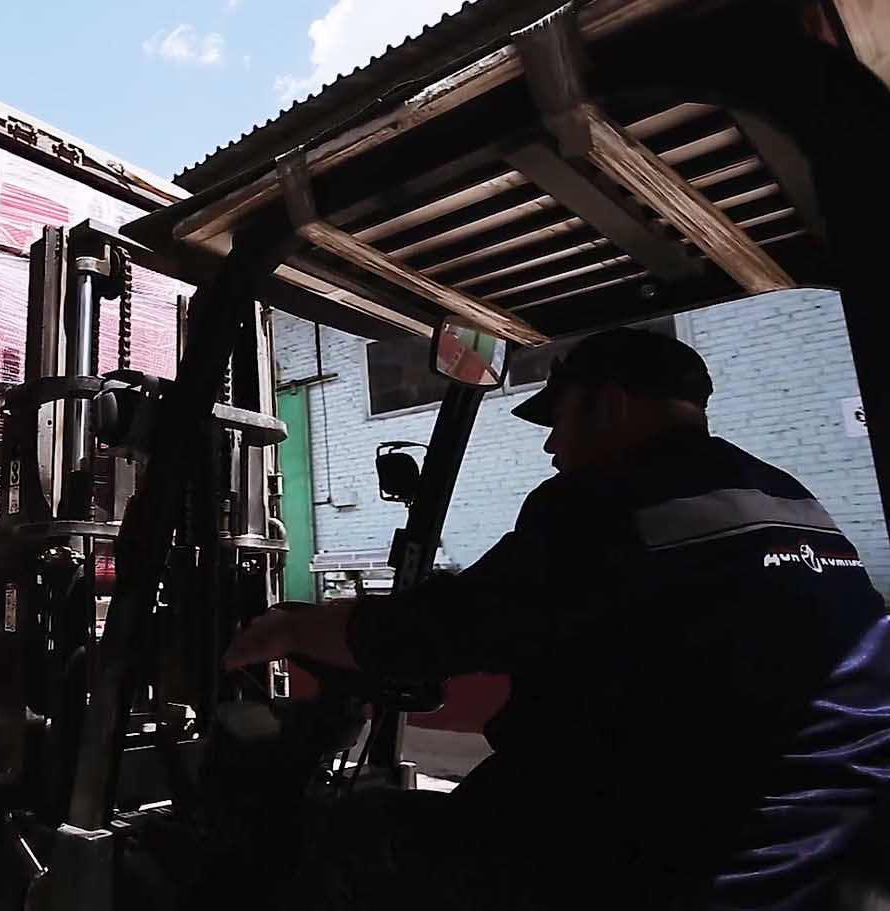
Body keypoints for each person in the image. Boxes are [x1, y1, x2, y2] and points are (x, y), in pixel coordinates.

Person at [225, 328, 890, 910]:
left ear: (609, 404)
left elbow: (437, 632)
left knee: (347, 836)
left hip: (679, 848)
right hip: (826, 822)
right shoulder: (785, 494)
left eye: (557, 419)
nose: (550, 445)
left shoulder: (605, 503)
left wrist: (291, 629)